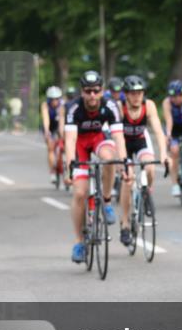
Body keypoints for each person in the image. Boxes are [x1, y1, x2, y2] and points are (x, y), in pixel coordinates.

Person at [63, 71, 132, 263]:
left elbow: (118, 137)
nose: (92, 95)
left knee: (110, 159)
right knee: (79, 193)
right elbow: (69, 140)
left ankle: (107, 201)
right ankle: (79, 242)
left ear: (102, 91)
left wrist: (124, 161)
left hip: (98, 139)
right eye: (88, 91)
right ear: (82, 92)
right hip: (80, 145)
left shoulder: (110, 105)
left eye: (96, 91)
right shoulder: (73, 107)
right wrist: (69, 166)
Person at [117, 75, 170, 247]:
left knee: (149, 167)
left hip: (140, 140)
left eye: (139, 93)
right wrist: (121, 160)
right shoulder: (119, 107)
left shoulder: (149, 105)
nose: (136, 96)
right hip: (123, 143)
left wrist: (163, 154)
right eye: (132, 93)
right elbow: (114, 134)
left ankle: (147, 192)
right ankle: (125, 224)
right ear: (126, 94)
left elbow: (158, 132)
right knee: (128, 179)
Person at [40, 86, 63, 184]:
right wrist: (46, 132)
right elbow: (46, 119)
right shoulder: (45, 105)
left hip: (60, 126)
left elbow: (63, 120)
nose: (55, 101)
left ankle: (63, 162)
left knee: (66, 143)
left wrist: (63, 134)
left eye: (57, 99)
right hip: (50, 127)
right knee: (51, 147)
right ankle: (53, 171)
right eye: (52, 99)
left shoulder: (63, 105)